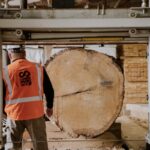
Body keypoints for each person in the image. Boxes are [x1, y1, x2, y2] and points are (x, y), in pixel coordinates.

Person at [2, 46, 54, 150]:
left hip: (14, 115)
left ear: (9, 55)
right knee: (40, 145)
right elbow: (49, 90)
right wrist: (49, 107)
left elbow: (1, 95)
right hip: (36, 114)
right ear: (25, 53)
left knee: (12, 146)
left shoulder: (4, 72)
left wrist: (4, 113)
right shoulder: (39, 68)